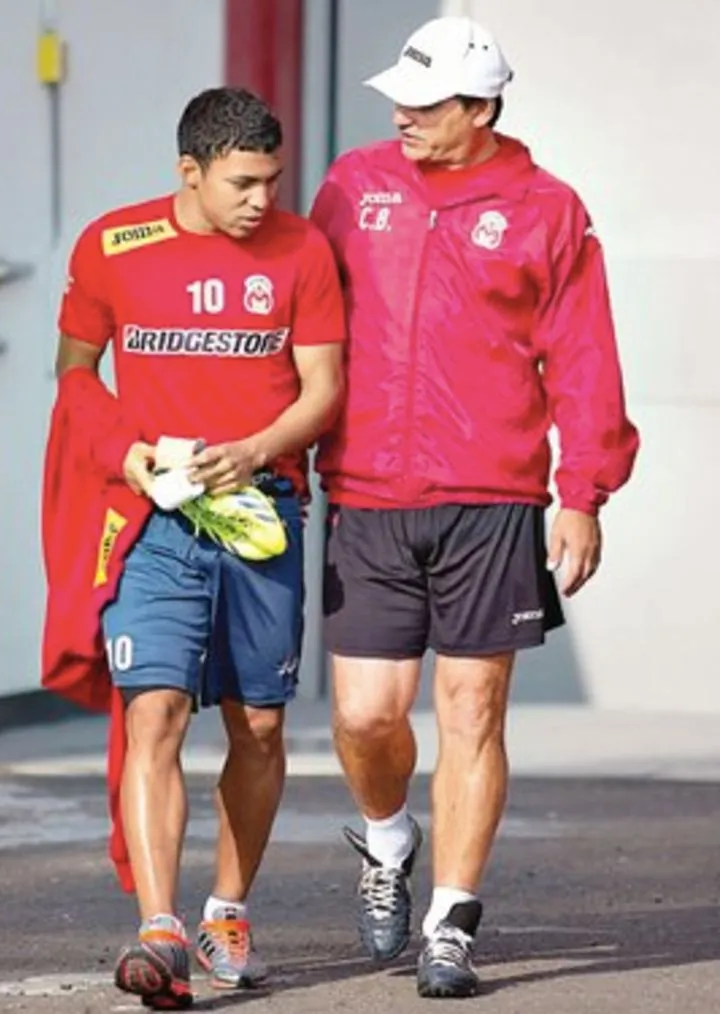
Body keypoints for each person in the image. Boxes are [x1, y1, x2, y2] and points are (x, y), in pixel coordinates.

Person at [310, 16, 639, 1000]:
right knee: (366, 717)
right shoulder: (353, 184)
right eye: (396, 103)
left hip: (490, 499)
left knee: (470, 710)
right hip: (365, 494)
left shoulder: (547, 210)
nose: (401, 118)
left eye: (422, 105)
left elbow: (582, 361)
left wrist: (580, 492)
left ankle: (448, 921)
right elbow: (301, 320)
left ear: (479, 108)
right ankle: (385, 836)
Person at [52, 86, 345, 1009]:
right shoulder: (113, 244)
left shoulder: (304, 250)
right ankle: (160, 932)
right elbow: (73, 371)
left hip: (263, 516)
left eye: (272, 180)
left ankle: (225, 911)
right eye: (243, 183)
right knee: (157, 713)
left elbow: (324, 386)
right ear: (190, 171)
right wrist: (125, 454)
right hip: (152, 523)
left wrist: (258, 450)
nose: (262, 199)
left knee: (257, 724)